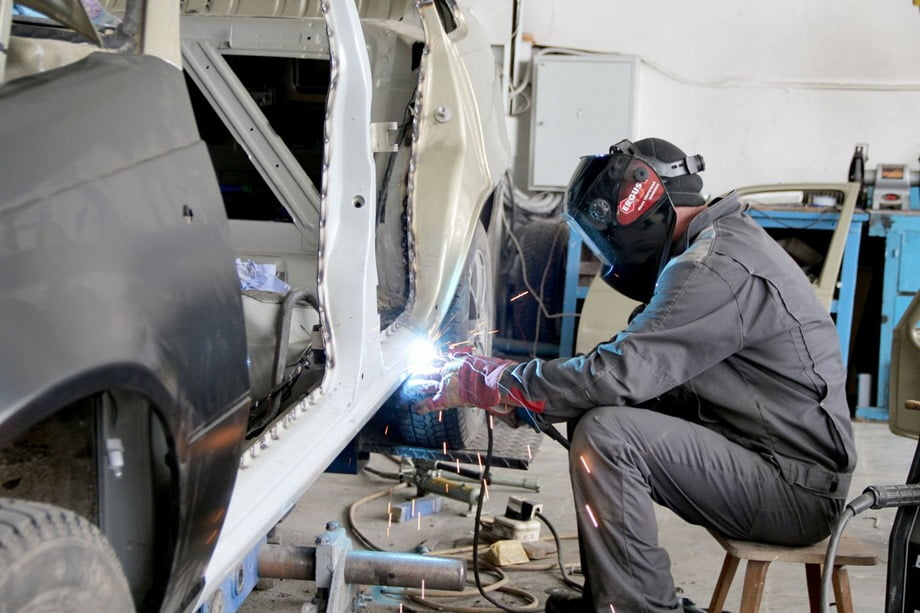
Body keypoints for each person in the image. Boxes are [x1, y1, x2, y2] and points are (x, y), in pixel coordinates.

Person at [414, 137, 856, 613]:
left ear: (637, 205)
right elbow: (627, 374)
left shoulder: (712, 269)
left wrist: (496, 382)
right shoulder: (714, 245)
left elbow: (615, 375)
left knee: (608, 434)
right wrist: (520, 396)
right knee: (598, 412)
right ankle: (612, 598)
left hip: (796, 492)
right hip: (767, 458)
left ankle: (641, 608)